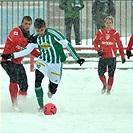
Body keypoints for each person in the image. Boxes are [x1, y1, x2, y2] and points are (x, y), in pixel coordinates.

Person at [1, 18, 85, 111]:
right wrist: (12, 55)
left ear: (45, 27)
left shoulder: (54, 34)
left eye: (41, 30)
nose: (40, 33)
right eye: (37, 30)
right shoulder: (29, 35)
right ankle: (39, 107)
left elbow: (67, 45)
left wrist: (77, 58)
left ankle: (50, 89)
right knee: (36, 81)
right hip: (39, 61)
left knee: (50, 88)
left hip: (55, 64)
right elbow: (25, 48)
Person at [1, 16, 39, 111]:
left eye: (29, 24)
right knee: (14, 78)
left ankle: (22, 104)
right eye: (25, 23)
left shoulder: (27, 36)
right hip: (7, 60)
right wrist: (27, 40)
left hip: (17, 62)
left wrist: (41, 55)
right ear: (22, 23)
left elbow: (31, 50)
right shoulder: (16, 31)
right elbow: (15, 40)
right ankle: (14, 104)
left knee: (24, 85)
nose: (27, 26)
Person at [93, 16, 126, 94]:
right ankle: (105, 84)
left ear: (112, 24)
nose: (108, 24)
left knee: (111, 74)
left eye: (110, 23)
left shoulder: (115, 33)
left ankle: (108, 91)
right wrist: (98, 50)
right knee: (100, 73)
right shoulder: (100, 32)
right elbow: (95, 42)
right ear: (104, 23)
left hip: (112, 57)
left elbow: (120, 45)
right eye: (107, 23)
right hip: (103, 56)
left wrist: (122, 56)